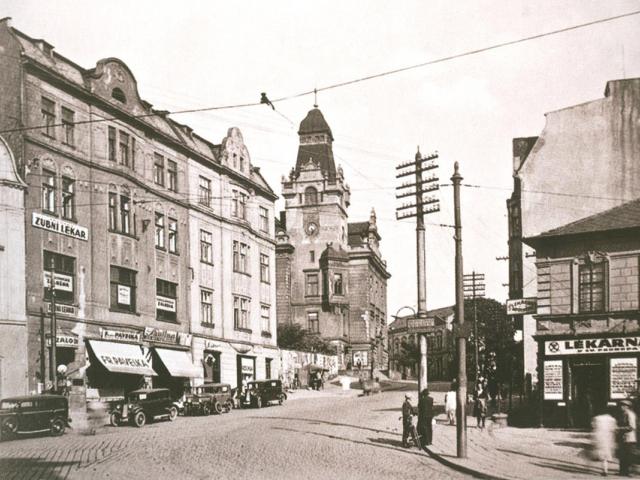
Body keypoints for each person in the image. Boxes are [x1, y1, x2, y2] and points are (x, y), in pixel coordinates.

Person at [591, 409, 616, 477]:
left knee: (601, 454)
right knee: (606, 456)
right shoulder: (612, 419)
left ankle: (604, 469)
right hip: (608, 437)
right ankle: (605, 470)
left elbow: (593, 426)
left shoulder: (596, 418)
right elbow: (614, 429)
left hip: (600, 437)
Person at [618, 399, 637, 476]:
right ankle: (623, 472)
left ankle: (629, 472)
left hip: (629, 438)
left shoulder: (630, 414)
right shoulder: (624, 414)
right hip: (624, 438)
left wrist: (619, 428)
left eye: (622, 406)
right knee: (622, 455)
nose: (621, 407)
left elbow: (632, 426)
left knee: (628, 455)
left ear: (627, 406)